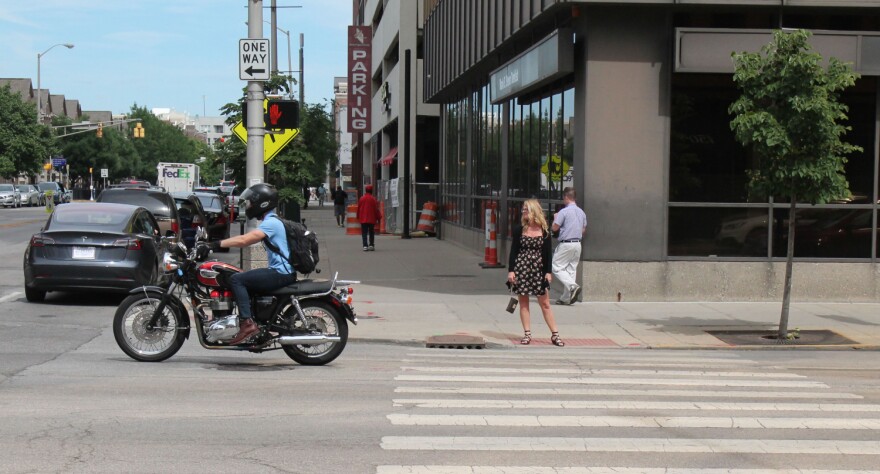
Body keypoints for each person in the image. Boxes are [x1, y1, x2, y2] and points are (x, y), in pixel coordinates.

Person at [200, 183, 296, 345]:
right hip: (281, 271)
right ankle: (251, 319)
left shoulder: (271, 223)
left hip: (281, 272)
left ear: (262, 203)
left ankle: (247, 324)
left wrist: (214, 245)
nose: (249, 206)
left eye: (251, 202)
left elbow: (245, 240)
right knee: (243, 278)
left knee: (237, 279)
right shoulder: (272, 221)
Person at [507, 199, 564, 347]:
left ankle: (555, 334)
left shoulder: (543, 230)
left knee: (545, 303)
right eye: (523, 209)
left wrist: (548, 272)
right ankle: (527, 334)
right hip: (522, 268)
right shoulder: (519, 229)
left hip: (538, 269)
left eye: (526, 209)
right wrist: (511, 270)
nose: (523, 211)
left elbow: (547, 254)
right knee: (524, 303)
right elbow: (514, 251)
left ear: (534, 211)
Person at [551, 187, 587, 305]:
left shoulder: (563, 212)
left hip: (566, 243)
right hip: (577, 243)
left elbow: (554, 228)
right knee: (571, 269)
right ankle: (566, 297)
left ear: (566, 197)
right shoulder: (581, 212)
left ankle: (573, 286)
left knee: (556, 267)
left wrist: (555, 218)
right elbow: (583, 230)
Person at [356, 184, 381, 251]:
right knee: (371, 232)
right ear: (371, 191)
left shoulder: (361, 198)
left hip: (363, 218)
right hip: (371, 218)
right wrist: (378, 217)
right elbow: (376, 209)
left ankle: (365, 245)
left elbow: (359, 208)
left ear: (365, 190)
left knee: (364, 232)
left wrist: (358, 216)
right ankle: (371, 245)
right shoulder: (373, 199)